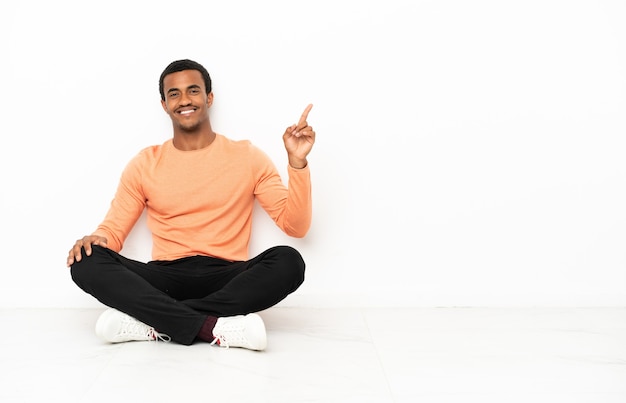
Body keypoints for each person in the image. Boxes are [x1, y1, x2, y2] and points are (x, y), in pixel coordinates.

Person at [66, 59, 315, 351]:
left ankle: (154, 321)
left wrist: (297, 164)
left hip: (226, 276)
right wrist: (98, 239)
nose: (184, 100)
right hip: (164, 277)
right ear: (164, 104)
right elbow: (114, 230)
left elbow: (295, 226)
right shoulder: (145, 163)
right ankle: (212, 326)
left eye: (193, 91)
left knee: (289, 261)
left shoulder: (248, 157)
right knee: (86, 260)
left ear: (209, 98)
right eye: (174, 93)